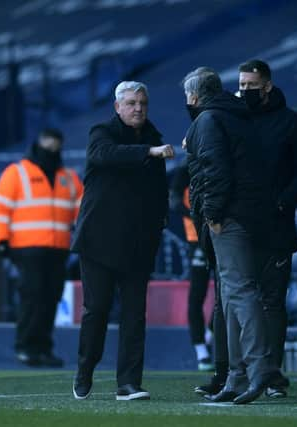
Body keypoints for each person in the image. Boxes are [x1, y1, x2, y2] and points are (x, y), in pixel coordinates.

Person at [70, 81, 175, 401]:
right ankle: (85, 369)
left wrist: (159, 226)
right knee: (97, 310)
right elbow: (104, 156)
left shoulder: (154, 138)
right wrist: (147, 152)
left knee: (134, 315)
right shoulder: (101, 133)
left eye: (142, 102)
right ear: (117, 107)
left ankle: (128, 383)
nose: (138, 108)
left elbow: (159, 192)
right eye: (131, 103)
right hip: (99, 241)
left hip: (138, 243)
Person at [183, 67, 279, 405]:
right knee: (231, 292)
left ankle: (257, 369)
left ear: (194, 97)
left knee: (239, 291)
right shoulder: (237, 115)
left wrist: (212, 214)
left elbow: (215, 170)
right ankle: (236, 377)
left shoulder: (208, 121)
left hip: (229, 217)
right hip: (251, 213)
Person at [237, 59, 297, 398]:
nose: (244, 92)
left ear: (268, 86)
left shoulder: (291, 123)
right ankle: (236, 372)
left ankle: (269, 374)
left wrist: (283, 201)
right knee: (237, 300)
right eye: (241, 86)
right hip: (239, 225)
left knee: (271, 302)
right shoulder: (235, 119)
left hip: (276, 227)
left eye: (251, 87)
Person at [0, 128, 83, 367]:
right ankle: (26, 347)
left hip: (58, 248)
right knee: (32, 296)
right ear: (38, 145)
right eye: (48, 145)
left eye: (56, 146)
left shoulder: (69, 177)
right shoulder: (17, 173)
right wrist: (0, 240)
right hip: (26, 247)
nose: (52, 150)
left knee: (50, 297)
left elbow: (82, 211)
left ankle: (43, 348)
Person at [169, 161, 214, 371]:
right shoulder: (183, 172)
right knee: (197, 294)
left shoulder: (218, 165)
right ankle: (200, 348)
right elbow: (175, 202)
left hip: (222, 237)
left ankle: (213, 332)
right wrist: (197, 214)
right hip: (197, 239)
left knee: (228, 290)